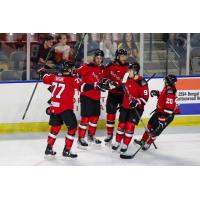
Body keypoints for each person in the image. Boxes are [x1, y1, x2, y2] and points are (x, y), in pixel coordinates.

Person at [41, 61, 106, 158]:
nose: (73, 71)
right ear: (69, 70)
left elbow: (44, 78)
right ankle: (67, 150)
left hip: (54, 108)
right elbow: (83, 87)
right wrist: (95, 85)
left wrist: (43, 72)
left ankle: (48, 148)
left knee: (54, 128)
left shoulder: (53, 77)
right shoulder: (72, 79)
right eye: (72, 69)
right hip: (65, 109)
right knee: (72, 128)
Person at [112, 62, 149, 153]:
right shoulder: (126, 77)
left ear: (136, 71)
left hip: (137, 109)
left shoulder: (142, 83)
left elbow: (145, 98)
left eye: (130, 70)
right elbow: (121, 86)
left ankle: (125, 144)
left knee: (130, 126)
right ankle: (117, 142)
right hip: (125, 106)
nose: (128, 72)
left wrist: (137, 102)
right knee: (121, 125)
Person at [134, 74, 179, 150]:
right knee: (150, 125)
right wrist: (157, 93)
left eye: (166, 80)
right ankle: (143, 141)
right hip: (159, 112)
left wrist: (163, 118)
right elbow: (163, 96)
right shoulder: (167, 88)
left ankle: (147, 145)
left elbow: (169, 108)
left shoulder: (170, 92)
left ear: (168, 82)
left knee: (154, 131)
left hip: (166, 116)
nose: (165, 82)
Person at [76, 49, 106, 148]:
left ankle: (91, 136)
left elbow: (103, 81)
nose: (99, 60)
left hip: (96, 97)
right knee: (85, 119)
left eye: (101, 58)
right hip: (86, 96)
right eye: (97, 58)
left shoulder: (102, 69)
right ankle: (80, 139)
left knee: (95, 118)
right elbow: (76, 74)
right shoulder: (87, 66)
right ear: (94, 58)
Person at [103, 49, 129, 143]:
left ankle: (121, 134)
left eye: (125, 56)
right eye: (122, 56)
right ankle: (109, 134)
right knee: (110, 114)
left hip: (124, 95)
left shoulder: (128, 67)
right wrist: (108, 82)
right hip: (113, 94)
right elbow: (104, 78)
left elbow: (131, 81)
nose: (124, 58)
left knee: (124, 116)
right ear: (117, 57)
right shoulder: (110, 66)